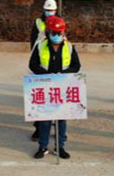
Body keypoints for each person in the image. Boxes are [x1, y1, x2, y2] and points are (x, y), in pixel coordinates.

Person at [29, 16, 81, 159]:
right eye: (54, 33)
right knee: (45, 120)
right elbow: (32, 64)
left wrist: (63, 75)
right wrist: (46, 75)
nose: (57, 36)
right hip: (45, 87)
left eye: (60, 33)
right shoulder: (40, 46)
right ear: (48, 33)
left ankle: (60, 147)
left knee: (61, 119)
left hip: (62, 88)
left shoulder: (69, 47)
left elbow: (76, 66)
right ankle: (43, 146)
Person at [29, 0, 59, 141]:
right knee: (40, 99)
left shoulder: (60, 22)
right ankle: (38, 129)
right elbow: (32, 41)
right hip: (41, 62)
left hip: (56, 64)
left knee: (57, 99)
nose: (49, 12)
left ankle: (58, 129)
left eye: (51, 10)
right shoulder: (38, 22)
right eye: (47, 10)